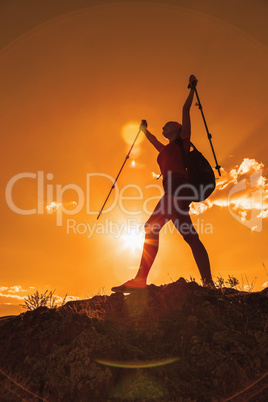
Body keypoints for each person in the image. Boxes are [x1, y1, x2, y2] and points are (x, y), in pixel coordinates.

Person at [112, 75, 214, 292]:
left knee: (150, 227)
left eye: (166, 126)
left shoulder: (182, 141)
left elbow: (186, 111)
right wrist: (144, 130)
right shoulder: (166, 148)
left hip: (178, 189)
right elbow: (153, 141)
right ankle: (209, 283)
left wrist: (192, 89)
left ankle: (140, 280)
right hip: (175, 192)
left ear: (177, 129)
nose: (163, 129)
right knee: (190, 237)